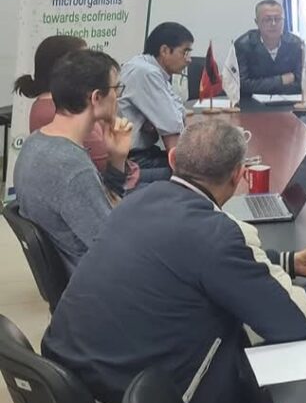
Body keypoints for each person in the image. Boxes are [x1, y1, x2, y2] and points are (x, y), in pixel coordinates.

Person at [42, 118, 306, 403]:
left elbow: (195, 261)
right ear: (238, 176)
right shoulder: (217, 233)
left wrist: (289, 262)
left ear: (172, 159)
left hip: (75, 390)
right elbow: (294, 319)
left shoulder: (139, 200)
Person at [13, 49, 133, 272]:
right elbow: (114, 248)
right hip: (94, 280)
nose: (118, 97)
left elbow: (106, 214)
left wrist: (116, 159)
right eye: (116, 89)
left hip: (77, 271)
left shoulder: (35, 142)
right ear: (96, 97)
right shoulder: (72, 167)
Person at [15, 34, 140, 193]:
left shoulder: (42, 119)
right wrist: (118, 160)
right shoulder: (78, 167)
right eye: (84, 62)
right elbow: (106, 177)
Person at [119, 21, 192, 179]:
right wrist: (183, 173)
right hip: (132, 161)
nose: (189, 60)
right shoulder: (146, 72)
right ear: (164, 50)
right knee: (198, 173)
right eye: (185, 52)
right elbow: (172, 125)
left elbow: (179, 111)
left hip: (142, 154)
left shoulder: (150, 69)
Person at [234, 0, 305, 97]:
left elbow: (301, 83)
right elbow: (242, 85)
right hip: (252, 103)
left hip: (288, 102)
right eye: (267, 20)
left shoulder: (296, 44)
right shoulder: (243, 45)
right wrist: (281, 80)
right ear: (257, 22)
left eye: (278, 19)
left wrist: (261, 85)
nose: (273, 24)